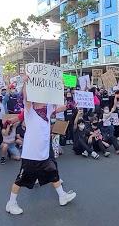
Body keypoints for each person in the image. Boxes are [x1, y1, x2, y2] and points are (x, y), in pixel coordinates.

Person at [5, 74, 76, 215]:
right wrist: (25, 83)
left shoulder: (48, 109)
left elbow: (61, 106)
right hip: (31, 154)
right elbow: (26, 97)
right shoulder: (29, 110)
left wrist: (65, 89)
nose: (44, 100)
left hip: (43, 153)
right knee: (20, 179)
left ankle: (62, 196)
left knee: (53, 173)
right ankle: (11, 203)